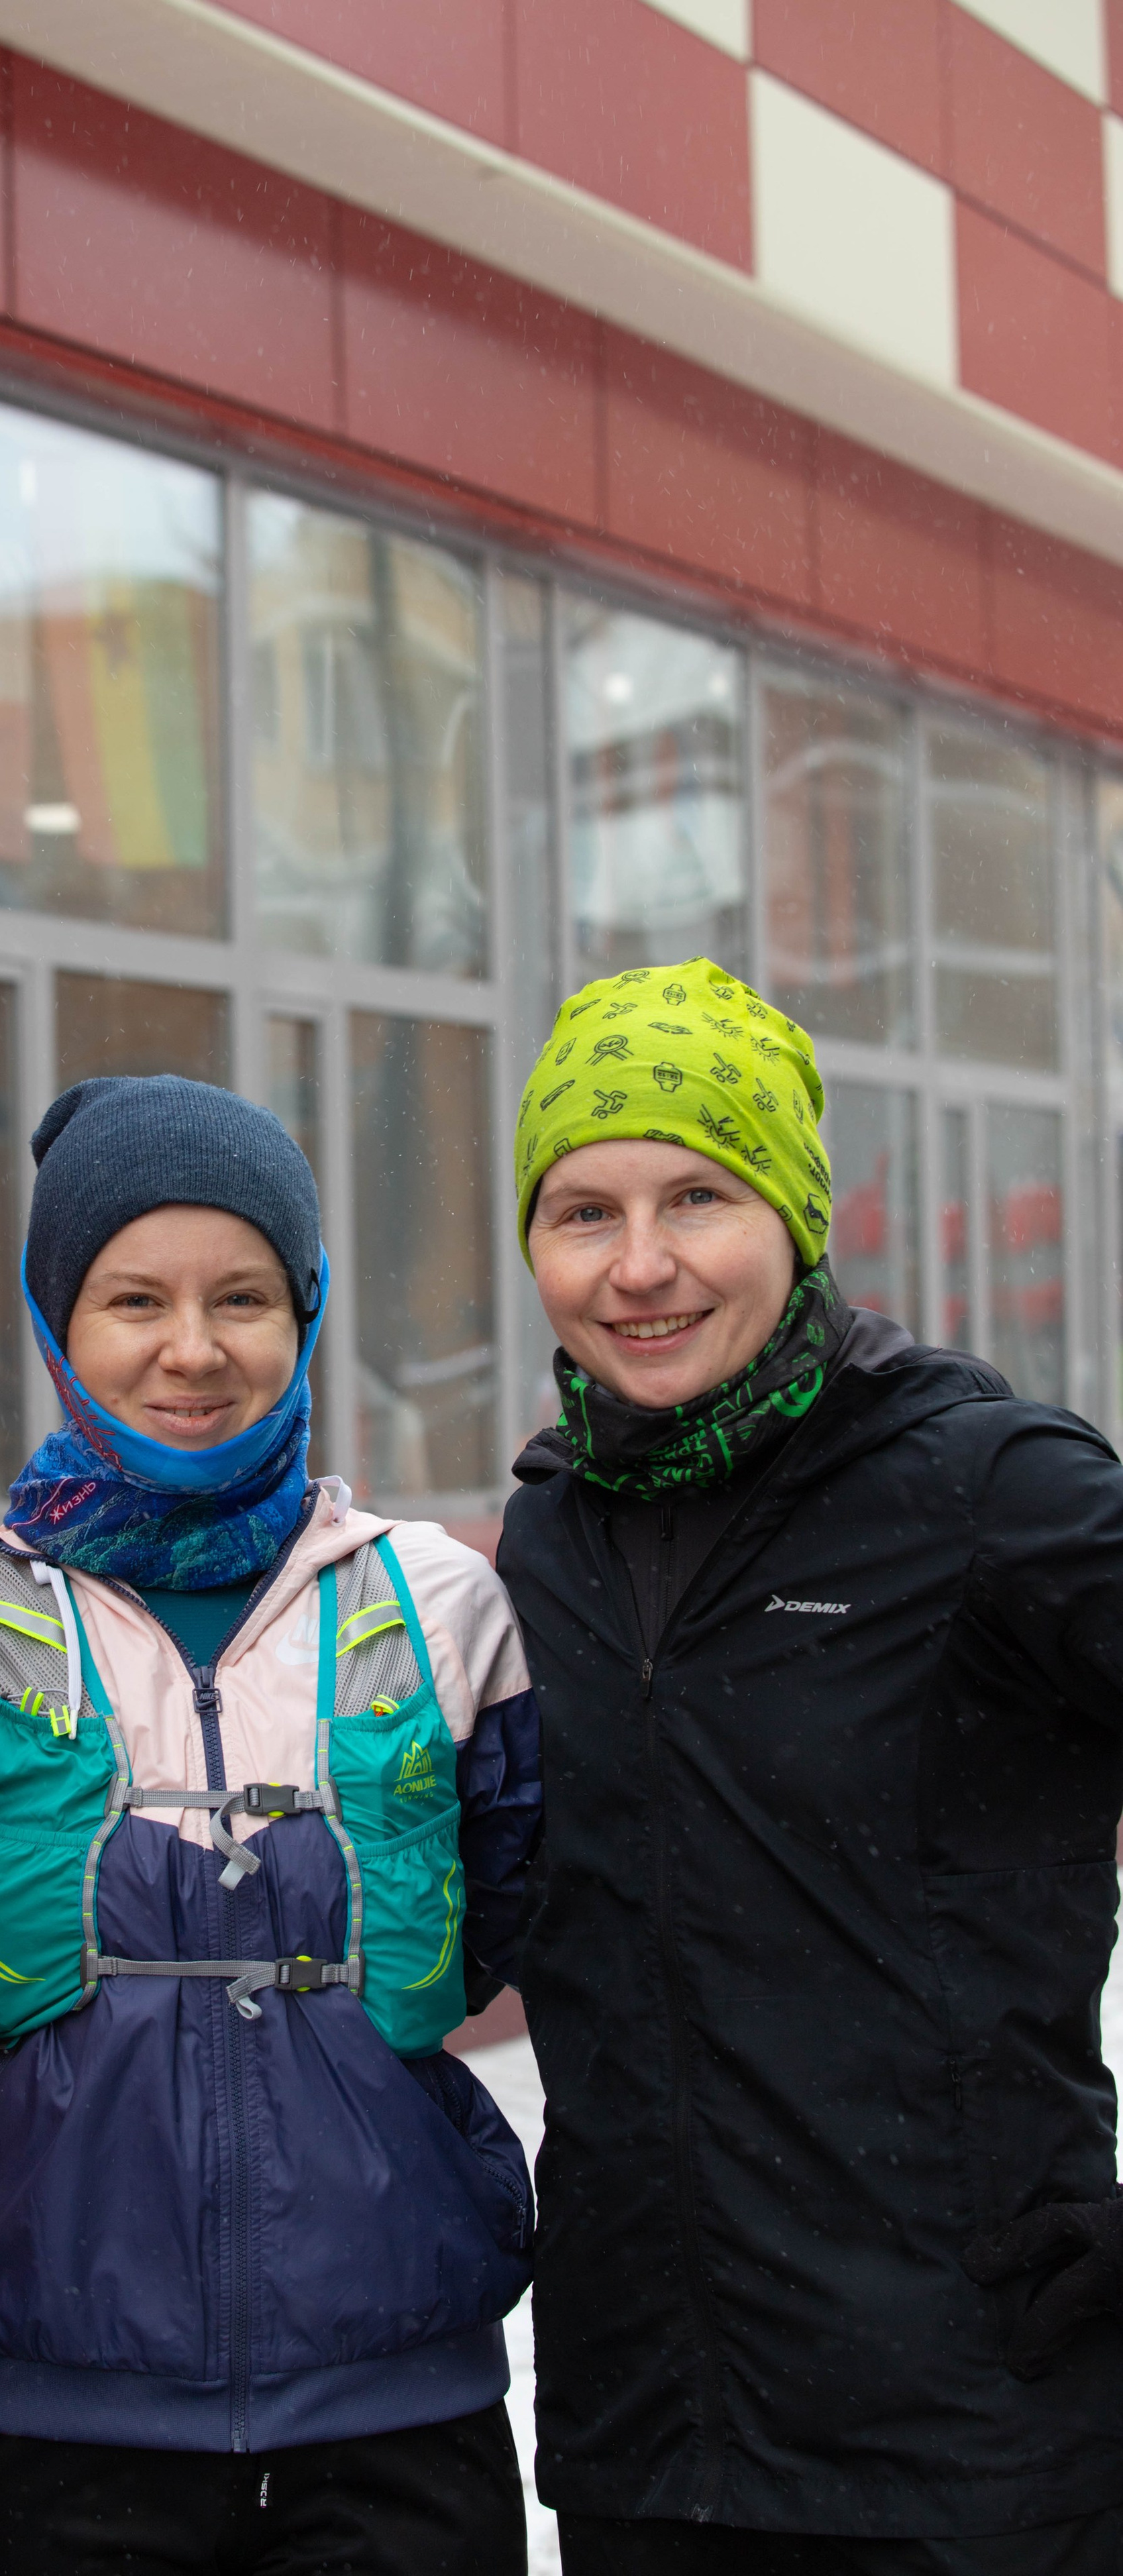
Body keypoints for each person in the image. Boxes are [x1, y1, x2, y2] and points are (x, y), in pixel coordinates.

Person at [499, 955, 1123, 2576]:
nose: (638, 1268)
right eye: (581, 1214)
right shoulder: (544, 1537)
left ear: (793, 1212)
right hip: (646, 2445)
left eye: (695, 1197)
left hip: (966, 2445)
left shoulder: (986, 1488)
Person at [0, 1072, 543, 2576]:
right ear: (58, 1322)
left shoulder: (436, 1603)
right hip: (42, 2416)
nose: (192, 1350)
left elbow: (516, 1912)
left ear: (304, 1313)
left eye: (241, 1296)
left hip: (391, 2413)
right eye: (133, 1299)